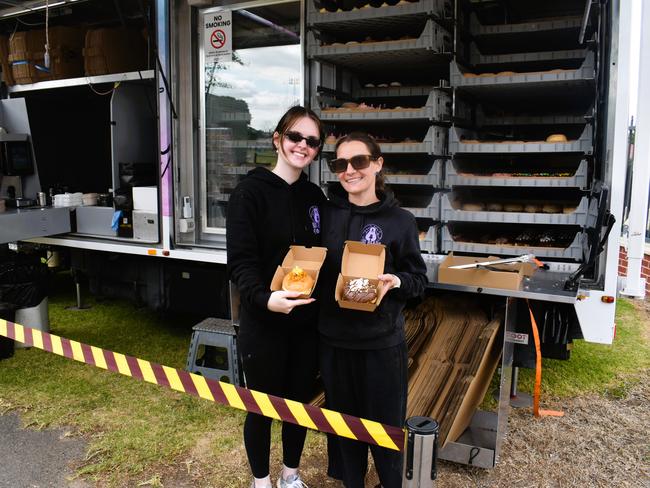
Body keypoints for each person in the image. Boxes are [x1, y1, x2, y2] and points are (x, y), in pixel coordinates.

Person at [318, 132, 428, 488]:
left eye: (359, 161)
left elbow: (418, 280)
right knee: (344, 429)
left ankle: (390, 483)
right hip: (334, 341)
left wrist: (396, 282)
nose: (349, 170)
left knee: (384, 432)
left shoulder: (400, 221)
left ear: (377, 164)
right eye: (340, 164)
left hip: (381, 344)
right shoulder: (327, 215)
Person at [226, 106, 325, 488]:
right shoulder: (250, 192)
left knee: (298, 405)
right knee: (262, 406)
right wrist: (266, 299)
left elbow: (325, 254)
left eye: (312, 141)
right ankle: (261, 480)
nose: (302, 146)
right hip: (264, 320)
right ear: (277, 139)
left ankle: (290, 475)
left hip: (305, 322)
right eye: (295, 137)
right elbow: (241, 262)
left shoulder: (314, 196)